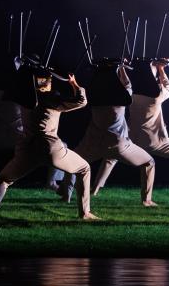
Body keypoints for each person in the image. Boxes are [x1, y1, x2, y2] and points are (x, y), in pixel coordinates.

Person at [0, 66, 99, 220]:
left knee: (4, 179)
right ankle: (85, 213)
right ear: (43, 82)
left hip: (28, 148)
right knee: (84, 168)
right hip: (49, 147)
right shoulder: (50, 98)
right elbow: (82, 101)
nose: (50, 82)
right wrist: (74, 84)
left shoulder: (24, 98)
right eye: (48, 80)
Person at [92, 58, 169, 200]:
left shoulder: (131, 94)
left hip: (131, 138)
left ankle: (95, 189)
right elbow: (168, 86)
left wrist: (121, 68)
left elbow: (125, 83)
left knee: (111, 157)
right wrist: (161, 69)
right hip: (154, 141)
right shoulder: (157, 96)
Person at [59, 63, 157, 207]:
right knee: (149, 162)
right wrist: (121, 68)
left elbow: (83, 94)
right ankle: (146, 200)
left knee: (72, 163)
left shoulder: (94, 97)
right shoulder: (120, 99)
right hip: (118, 145)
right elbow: (127, 84)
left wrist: (77, 81)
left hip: (93, 143)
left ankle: (66, 196)